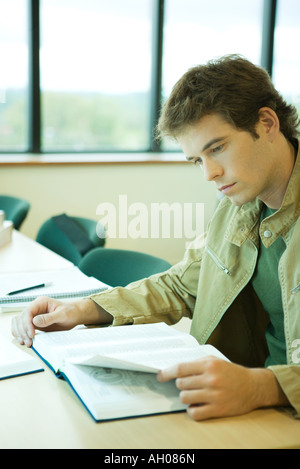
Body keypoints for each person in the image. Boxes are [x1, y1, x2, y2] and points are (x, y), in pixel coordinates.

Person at [12, 54, 300, 421]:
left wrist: (262, 386)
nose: (209, 174)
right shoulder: (239, 203)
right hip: (245, 409)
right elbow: (183, 284)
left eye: (217, 148)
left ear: (267, 122)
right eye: (197, 160)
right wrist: (86, 308)